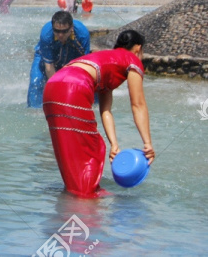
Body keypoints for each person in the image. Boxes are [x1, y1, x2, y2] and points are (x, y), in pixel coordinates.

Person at [43, 30, 154, 198]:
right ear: (138, 48)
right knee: (93, 148)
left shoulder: (106, 59)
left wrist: (114, 144)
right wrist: (148, 144)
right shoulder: (132, 61)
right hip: (73, 87)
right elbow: (138, 104)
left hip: (52, 87)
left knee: (69, 148)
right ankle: (87, 198)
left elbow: (106, 110)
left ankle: (74, 195)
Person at [27, 11, 90, 108]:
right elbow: (49, 68)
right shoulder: (46, 34)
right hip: (44, 56)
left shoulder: (82, 34)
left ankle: (92, 106)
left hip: (72, 54)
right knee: (36, 82)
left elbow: (83, 67)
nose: (60, 35)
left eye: (64, 31)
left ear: (71, 27)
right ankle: (35, 111)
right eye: (57, 31)